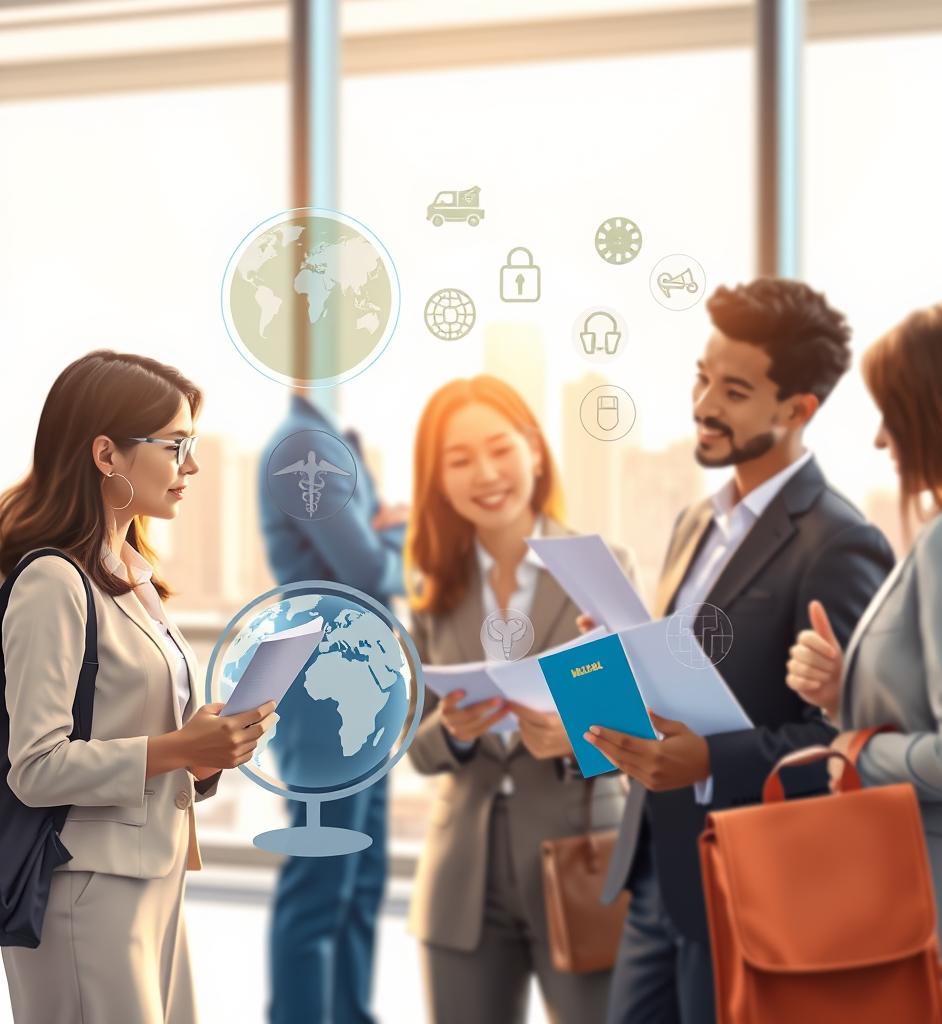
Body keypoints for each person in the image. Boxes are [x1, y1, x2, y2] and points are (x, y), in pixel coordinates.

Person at [585, 279, 896, 1024]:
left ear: (798, 410)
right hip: (657, 867)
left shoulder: (841, 543)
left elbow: (848, 741)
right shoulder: (696, 521)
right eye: (701, 377)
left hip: (752, 883)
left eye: (733, 390)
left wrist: (712, 762)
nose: (702, 405)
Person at [0, 350, 276, 1024]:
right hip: (84, 889)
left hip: (154, 878)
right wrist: (179, 748)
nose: (193, 466)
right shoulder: (51, 582)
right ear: (107, 455)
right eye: (176, 445)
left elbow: (141, 730)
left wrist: (203, 755)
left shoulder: (132, 575)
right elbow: (35, 768)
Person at [786, 297, 942, 1024]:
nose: (884, 438)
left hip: (939, 928)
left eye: (895, 413)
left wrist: (848, 747)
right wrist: (844, 693)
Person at [404, 376, 630, 1024]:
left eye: (500, 449)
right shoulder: (431, 586)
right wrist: (453, 732)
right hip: (462, 882)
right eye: (459, 459)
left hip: (582, 863)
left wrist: (575, 735)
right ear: (438, 479)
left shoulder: (599, 566)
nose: (485, 474)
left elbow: (635, 739)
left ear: (534, 451)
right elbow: (415, 749)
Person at [259, 391, 406, 1024]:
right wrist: (397, 529)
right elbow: (369, 570)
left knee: (362, 880)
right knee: (325, 882)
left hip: (356, 682)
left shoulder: (329, 436)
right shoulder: (306, 446)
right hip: (326, 683)